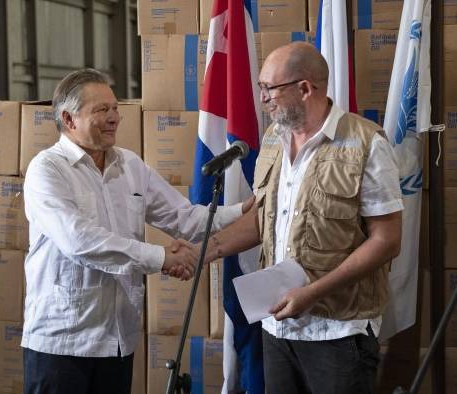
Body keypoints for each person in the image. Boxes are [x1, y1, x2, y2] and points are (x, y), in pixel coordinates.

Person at [21, 68, 252, 394]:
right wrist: (162, 258)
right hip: (62, 343)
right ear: (69, 119)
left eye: (115, 108)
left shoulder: (130, 166)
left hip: (118, 342)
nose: (114, 117)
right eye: (102, 110)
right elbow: (80, 241)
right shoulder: (47, 170)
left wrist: (242, 211)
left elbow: (184, 218)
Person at [193, 42, 403, 393]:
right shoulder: (274, 138)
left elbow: (387, 240)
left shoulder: (366, 143)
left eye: (269, 89)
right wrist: (206, 250)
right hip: (278, 329)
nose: (263, 99)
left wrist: (311, 293)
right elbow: (266, 218)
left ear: (305, 88)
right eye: (261, 88)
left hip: (338, 331)